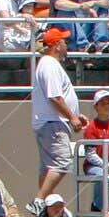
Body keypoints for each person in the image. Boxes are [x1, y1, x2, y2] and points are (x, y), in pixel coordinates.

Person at [31, 27, 84, 204]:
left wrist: (75, 114)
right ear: (56, 45)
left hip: (51, 122)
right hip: (53, 123)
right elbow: (54, 97)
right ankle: (39, 201)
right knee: (61, 163)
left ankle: (42, 204)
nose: (67, 44)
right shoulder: (50, 65)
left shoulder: (47, 64)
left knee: (48, 168)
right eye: (64, 41)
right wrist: (72, 117)